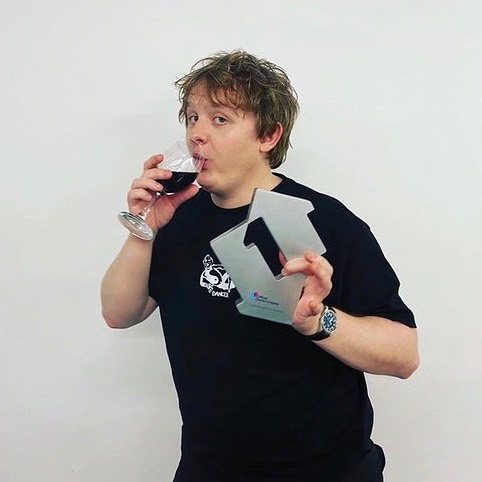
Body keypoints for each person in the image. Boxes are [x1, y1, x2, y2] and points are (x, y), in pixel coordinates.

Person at [101, 50, 419, 482]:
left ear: (268, 135)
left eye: (220, 119)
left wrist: (317, 321)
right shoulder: (177, 219)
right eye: (192, 118)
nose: (196, 134)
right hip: (208, 469)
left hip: (327, 471)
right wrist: (145, 227)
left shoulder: (325, 221)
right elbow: (119, 313)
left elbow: (404, 355)